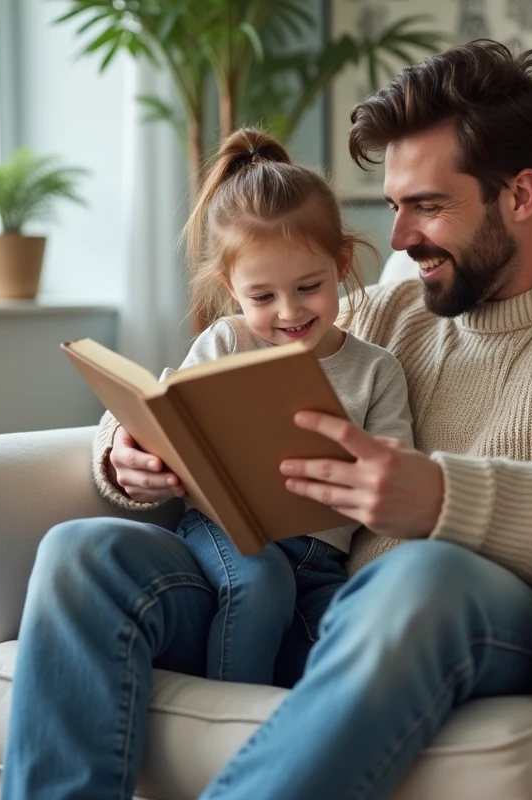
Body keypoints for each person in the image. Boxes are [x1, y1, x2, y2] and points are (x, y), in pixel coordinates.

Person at [2, 39, 532, 800]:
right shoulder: (393, 309)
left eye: (427, 206)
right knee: (84, 554)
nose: (397, 240)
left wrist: (442, 499)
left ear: (520, 195)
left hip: (474, 614)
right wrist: (125, 444)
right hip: (299, 608)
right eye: (394, 206)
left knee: (421, 575)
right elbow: (220, 378)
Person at [146, 127, 412, 685]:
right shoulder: (226, 342)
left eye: (309, 287)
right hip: (227, 530)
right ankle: (229, 733)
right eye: (262, 297)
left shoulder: (376, 370)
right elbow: (164, 412)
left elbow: (395, 482)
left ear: (342, 263)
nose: (289, 312)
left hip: (320, 561)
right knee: (260, 582)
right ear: (231, 286)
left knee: (354, 644)